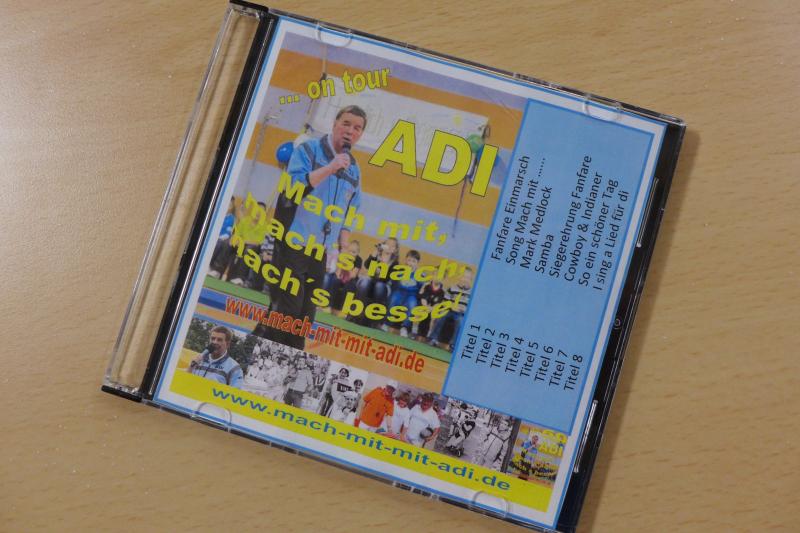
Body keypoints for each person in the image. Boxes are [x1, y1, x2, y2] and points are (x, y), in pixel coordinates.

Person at [262, 106, 367, 349]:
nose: (350, 131)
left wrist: (344, 255)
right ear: (334, 123)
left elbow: (350, 212)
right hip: (292, 242)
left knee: (305, 314)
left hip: (319, 250)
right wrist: (330, 168)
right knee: (288, 308)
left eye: (357, 128)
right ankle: (277, 359)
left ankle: (272, 354)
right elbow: (293, 188)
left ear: (360, 134)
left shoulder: (354, 168)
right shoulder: (308, 150)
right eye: (346, 124)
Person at [354, 237, 399, 327]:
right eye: (387, 244)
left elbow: (386, 279)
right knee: (364, 282)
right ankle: (357, 312)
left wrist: (384, 265)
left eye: (392, 246)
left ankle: (372, 318)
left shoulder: (394, 263)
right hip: (371, 281)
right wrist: (375, 253)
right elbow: (367, 265)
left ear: (395, 250)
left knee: (379, 286)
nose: (389, 247)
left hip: (383, 286)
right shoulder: (378, 255)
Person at [429, 267, 474, 349]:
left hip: (461, 314)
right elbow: (445, 301)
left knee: (460, 322)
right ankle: (433, 338)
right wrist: (451, 306)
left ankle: (453, 344)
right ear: (459, 277)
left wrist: (464, 309)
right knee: (440, 317)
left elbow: (471, 307)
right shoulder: (452, 288)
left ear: (471, 280)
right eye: (463, 276)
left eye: (467, 278)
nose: (465, 279)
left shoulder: (471, 293)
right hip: (449, 310)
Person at [386, 250, 422, 336]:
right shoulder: (400, 270)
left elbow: (421, 289)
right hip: (399, 292)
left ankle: (405, 327)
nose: (410, 263)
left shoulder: (419, 275)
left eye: (413, 261)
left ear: (417, 263)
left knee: (412, 304)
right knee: (393, 299)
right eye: (409, 260)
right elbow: (393, 283)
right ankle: (387, 323)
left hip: (411, 295)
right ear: (405, 260)